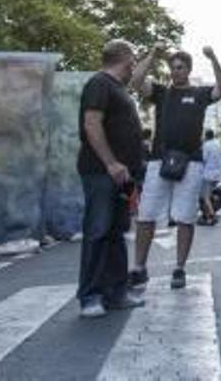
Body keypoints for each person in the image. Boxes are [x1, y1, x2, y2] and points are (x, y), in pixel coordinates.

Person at [128, 46, 221, 291]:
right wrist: (152, 55)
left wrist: (214, 57)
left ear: (189, 70)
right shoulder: (161, 93)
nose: (175, 71)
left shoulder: (200, 93)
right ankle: (139, 268)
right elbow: (136, 81)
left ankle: (179, 268)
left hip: (191, 163)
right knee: (146, 215)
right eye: (172, 68)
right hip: (158, 161)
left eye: (180, 67)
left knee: (185, 217)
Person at [76, 39, 146, 318]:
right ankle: (90, 296)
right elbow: (91, 124)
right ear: (126, 59)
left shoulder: (118, 88)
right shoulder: (100, 84)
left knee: (116, 232)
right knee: (98, 231)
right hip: (102, 172)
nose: (134, 65)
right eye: (134, 59)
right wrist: (111, 163)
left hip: (121, 176)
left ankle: (116, 292)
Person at [199, 129, 221, 226]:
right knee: (211, 195)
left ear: (206, 136)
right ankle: (208, 216)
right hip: (217, 173)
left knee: (205, 196)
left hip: (207, 174)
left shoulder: (206, 145)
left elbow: (203, 159)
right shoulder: (218, 144)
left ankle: (212, 216)